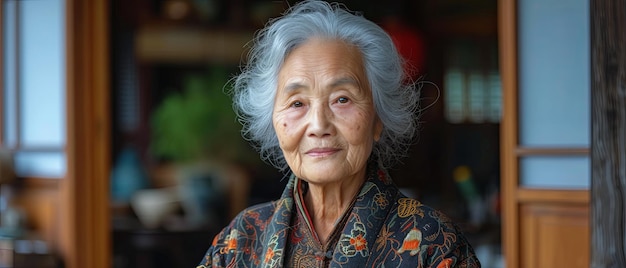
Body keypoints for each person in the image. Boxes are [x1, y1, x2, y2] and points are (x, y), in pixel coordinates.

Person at [197, 0, 480, 267]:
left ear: (377, 118)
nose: (319, 125)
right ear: (274, 120)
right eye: (297, 103)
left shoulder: (434, 244)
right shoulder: (239, 242)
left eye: (342, 99)